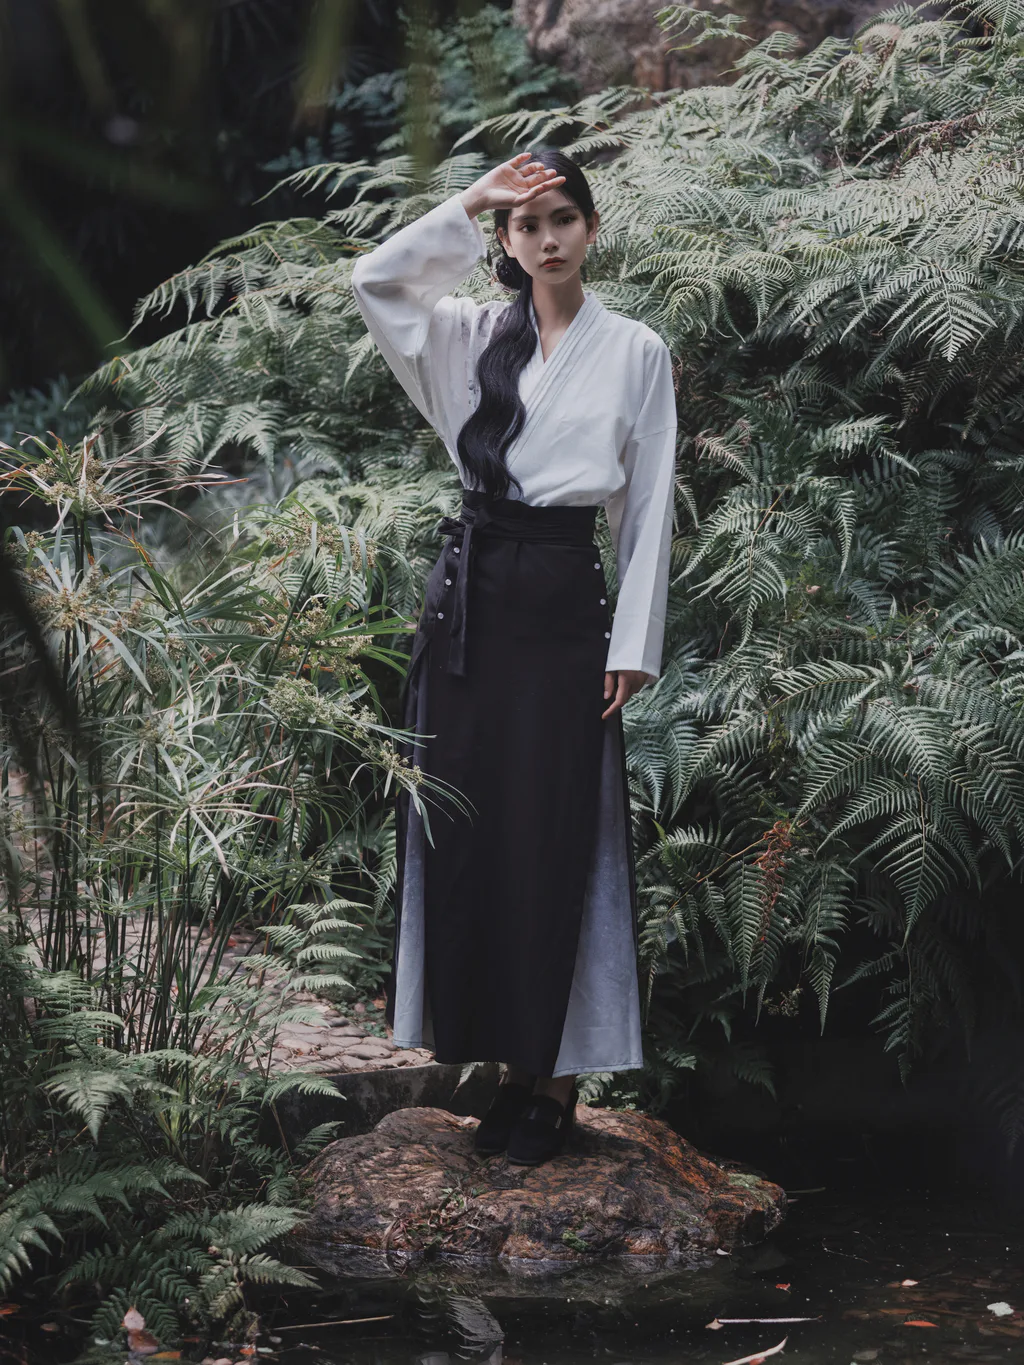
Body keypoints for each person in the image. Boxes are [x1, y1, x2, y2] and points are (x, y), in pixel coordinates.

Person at [350, 148, 677, 1167]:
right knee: (475, 835)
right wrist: (468, 202)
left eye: (562, 218)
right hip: (468, 612)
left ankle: (557, 1081)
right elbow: (375, 280)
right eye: (526, 224)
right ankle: (503, 1067)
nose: (546, 238)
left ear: (591, 228)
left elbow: (648, 504)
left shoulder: (636, 350)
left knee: (555, 835)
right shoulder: (465, 336)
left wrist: (633, 642)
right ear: (505, 239)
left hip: (562, 613)